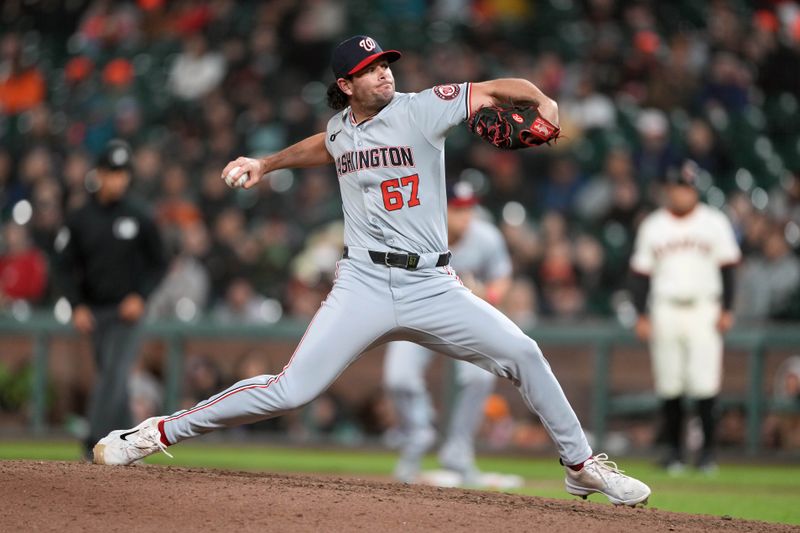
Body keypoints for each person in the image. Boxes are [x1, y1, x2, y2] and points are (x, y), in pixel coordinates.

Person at [93, 35, 651, 507]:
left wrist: (544, 101)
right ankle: (152, 433)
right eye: (370, 69)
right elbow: (324, 145)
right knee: (290, 391)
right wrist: (265, 163)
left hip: (432, 283)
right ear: (345, 85)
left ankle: (580, 465)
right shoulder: (341, 130)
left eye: (385, 64)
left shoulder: (421, 107)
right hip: (362, 282)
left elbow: (502, 91)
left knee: (523, 352)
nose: (384, 74)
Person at [383, 181, 512, 485]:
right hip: (419, 313)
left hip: (462, 318)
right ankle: (417, 435)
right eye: (458, 209)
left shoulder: (486, 237)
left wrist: (488, 296)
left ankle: (458, 449)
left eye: (469, 208)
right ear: (442, 208)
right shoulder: (419, 231)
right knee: (398, 378)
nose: (465, 215)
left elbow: (502, 277)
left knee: (480, 376)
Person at [53, 139, 168, 459]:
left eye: (123, 173)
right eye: (112, 172)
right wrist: (76, 305)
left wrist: (141, 296)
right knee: (111, 379)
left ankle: (92, 441)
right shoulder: (80, 218)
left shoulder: (141, 215)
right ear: (100, 174)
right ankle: (131, 443)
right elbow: (62, 266)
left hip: (127, 312)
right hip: (95, 311)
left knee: (114, 374)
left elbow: (160, 263)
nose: (118, 179)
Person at [629, 159, 741, 474]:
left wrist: (727, 309)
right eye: (678, 186)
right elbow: (639, 275)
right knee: (669, 384)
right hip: (665, 307)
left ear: (695, 190)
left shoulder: (714, 222)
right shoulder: (654, 225)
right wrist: (641, 314)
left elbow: (729, 268)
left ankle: (707, 454)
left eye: (688, 187)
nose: (683, 192)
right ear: (668, 189)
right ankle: (674, 453)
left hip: (705, 307)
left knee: (705, 383)